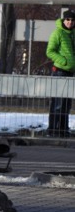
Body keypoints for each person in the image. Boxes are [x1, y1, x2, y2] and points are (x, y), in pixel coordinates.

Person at [46, 9, 75, 137]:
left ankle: (63, 129)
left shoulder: (73, 34)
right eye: (68, 19)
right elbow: (50, 51)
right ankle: (53, 129)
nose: (70, 22)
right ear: (64, 20)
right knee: (58, 102)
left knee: (67, 103)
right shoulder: (57, 33)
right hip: (60, 71)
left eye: (73, 20)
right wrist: (63, 61)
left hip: (70, 72)